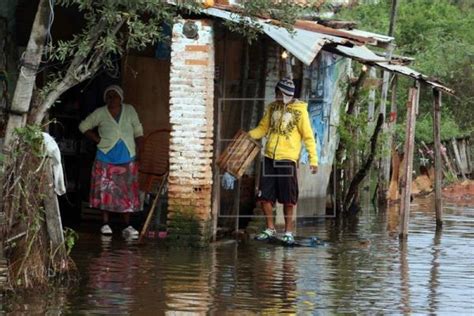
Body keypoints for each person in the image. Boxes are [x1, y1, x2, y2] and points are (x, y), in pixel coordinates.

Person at [248, 78, 318, 245]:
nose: (281, 98)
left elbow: (308, 137)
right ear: (277, 92)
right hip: (270, 157)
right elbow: (262, 129)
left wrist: (313, 159)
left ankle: (288, 232)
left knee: (288, 198)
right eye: (279, 95)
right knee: (264, 196)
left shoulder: (300, 111)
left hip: (287, 159)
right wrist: (248, 135)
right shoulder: (272, 108)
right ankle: (270, 228)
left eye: (284, 96)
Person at [79, 85, 144, 239]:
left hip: (127, 157)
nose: (112, 98)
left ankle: (127, 225)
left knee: (127, 192)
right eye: (109, 96)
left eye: (115, 96)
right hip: (105, 157)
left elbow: (138, 132)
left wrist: (139, 152)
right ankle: (105, 223)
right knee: (105, 191)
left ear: (121, 97)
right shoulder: (100, 113)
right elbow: (83, 126)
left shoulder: (129, 110)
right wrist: (97, 139)